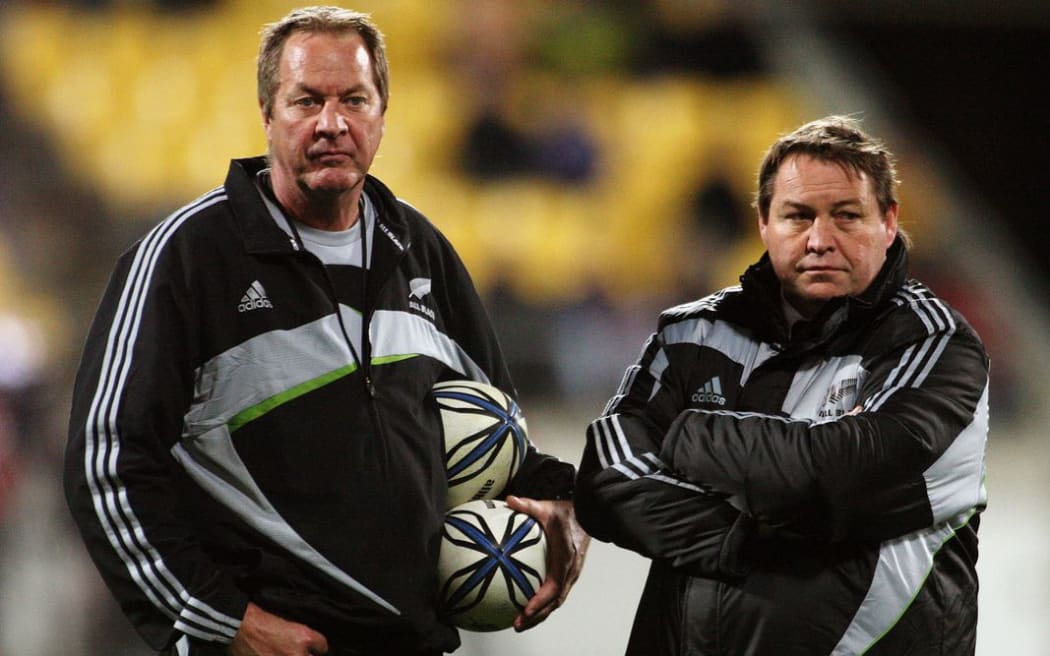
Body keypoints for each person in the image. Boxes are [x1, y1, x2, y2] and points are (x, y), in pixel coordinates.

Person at [64, 6, 588, 655]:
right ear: (267, 112)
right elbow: (107, 465)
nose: (332, 123)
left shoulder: (421, 251)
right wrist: (227, 620)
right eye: (306, 100)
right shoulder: (187, 258)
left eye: (354, 100)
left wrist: (558, 495)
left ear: (383, 115)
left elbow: (491, 435)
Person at [575, 115, 989, 655]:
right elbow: (607, 477)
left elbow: (843, 474)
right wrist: (739, 538)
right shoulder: (694, 333)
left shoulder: (933, 343)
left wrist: (691, 435)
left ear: (888, 223)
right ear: (764, 224)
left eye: (846, 216)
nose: (820, 239)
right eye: (798, 216)